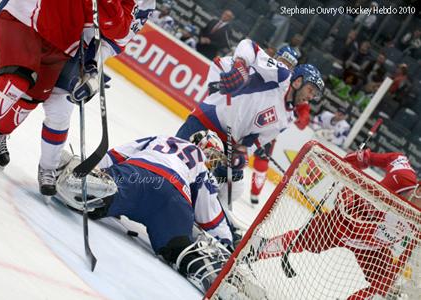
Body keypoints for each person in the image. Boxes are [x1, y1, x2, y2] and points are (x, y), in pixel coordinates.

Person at [0, 0, 155, 196]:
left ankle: (0, 134)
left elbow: (114, 40)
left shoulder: (145, 5)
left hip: (72, 38)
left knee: (48, 100)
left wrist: (93, 67)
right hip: (34, 12)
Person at [54, 130, 237, 292]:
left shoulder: (162, 137)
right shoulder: (201, 166)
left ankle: (81, 181)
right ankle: (210, 271)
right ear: (205, 149)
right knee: (180, 249)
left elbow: (116, 154)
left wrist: (95, 169)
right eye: (213, 156)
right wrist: (226, 242)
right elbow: (210, 216)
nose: (212, 162)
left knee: (105, 194)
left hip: (138, 175)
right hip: (174, 200)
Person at [176, 38, 324, 209]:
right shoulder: (281, 75)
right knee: (174, 164)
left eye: (315, 94)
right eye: (310, 90)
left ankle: (209, 215)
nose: (311, 97)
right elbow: (249, 45)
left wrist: (242, 153)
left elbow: (257, 139)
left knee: (229, 190)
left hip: (227, 143)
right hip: (207, 121)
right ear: (298, 81)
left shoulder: (288, 118)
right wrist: (240, 68)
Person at [257, 149, 421, 299]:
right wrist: (359, 160)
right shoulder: (402, 176)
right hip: (344, 223)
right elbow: (392, 157)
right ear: (418, 191)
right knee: (299, 241)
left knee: (384, 287)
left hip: (373, 247)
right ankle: (253, 251)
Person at [249, 45, 310, 205]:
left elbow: (304, 114)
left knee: (260, 162)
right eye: (283, 61)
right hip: (248, 117)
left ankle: (255, 194)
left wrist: (300, 118)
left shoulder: (291, 85)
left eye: (290, 65)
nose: (285, 67)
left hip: (267, 128)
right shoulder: (263, 68)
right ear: (275, 56)